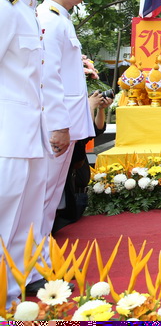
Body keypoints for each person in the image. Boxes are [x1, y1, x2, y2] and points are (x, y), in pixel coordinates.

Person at [0, 0, 61, 303]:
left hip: (31, 135)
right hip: (9, 137)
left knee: (27, 220)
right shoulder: (5, 8)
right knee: (5, 218)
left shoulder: (26, 11)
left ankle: (20, 287)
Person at [36, 0, 94, 278]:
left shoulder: (62, 18)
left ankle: (39, 258)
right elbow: (49, 77)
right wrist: (58, 125)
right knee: (42, 195)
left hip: (66, 124)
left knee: (51, 195)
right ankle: (33, 263)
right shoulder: (48, 18)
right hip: (56, 126)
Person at [53, 89, 112, 233]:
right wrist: (89, 106)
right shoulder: (62, 124)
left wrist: (100, 109)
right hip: (68, 188)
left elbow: (96, 131)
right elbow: (83, 134)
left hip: (78, 189)